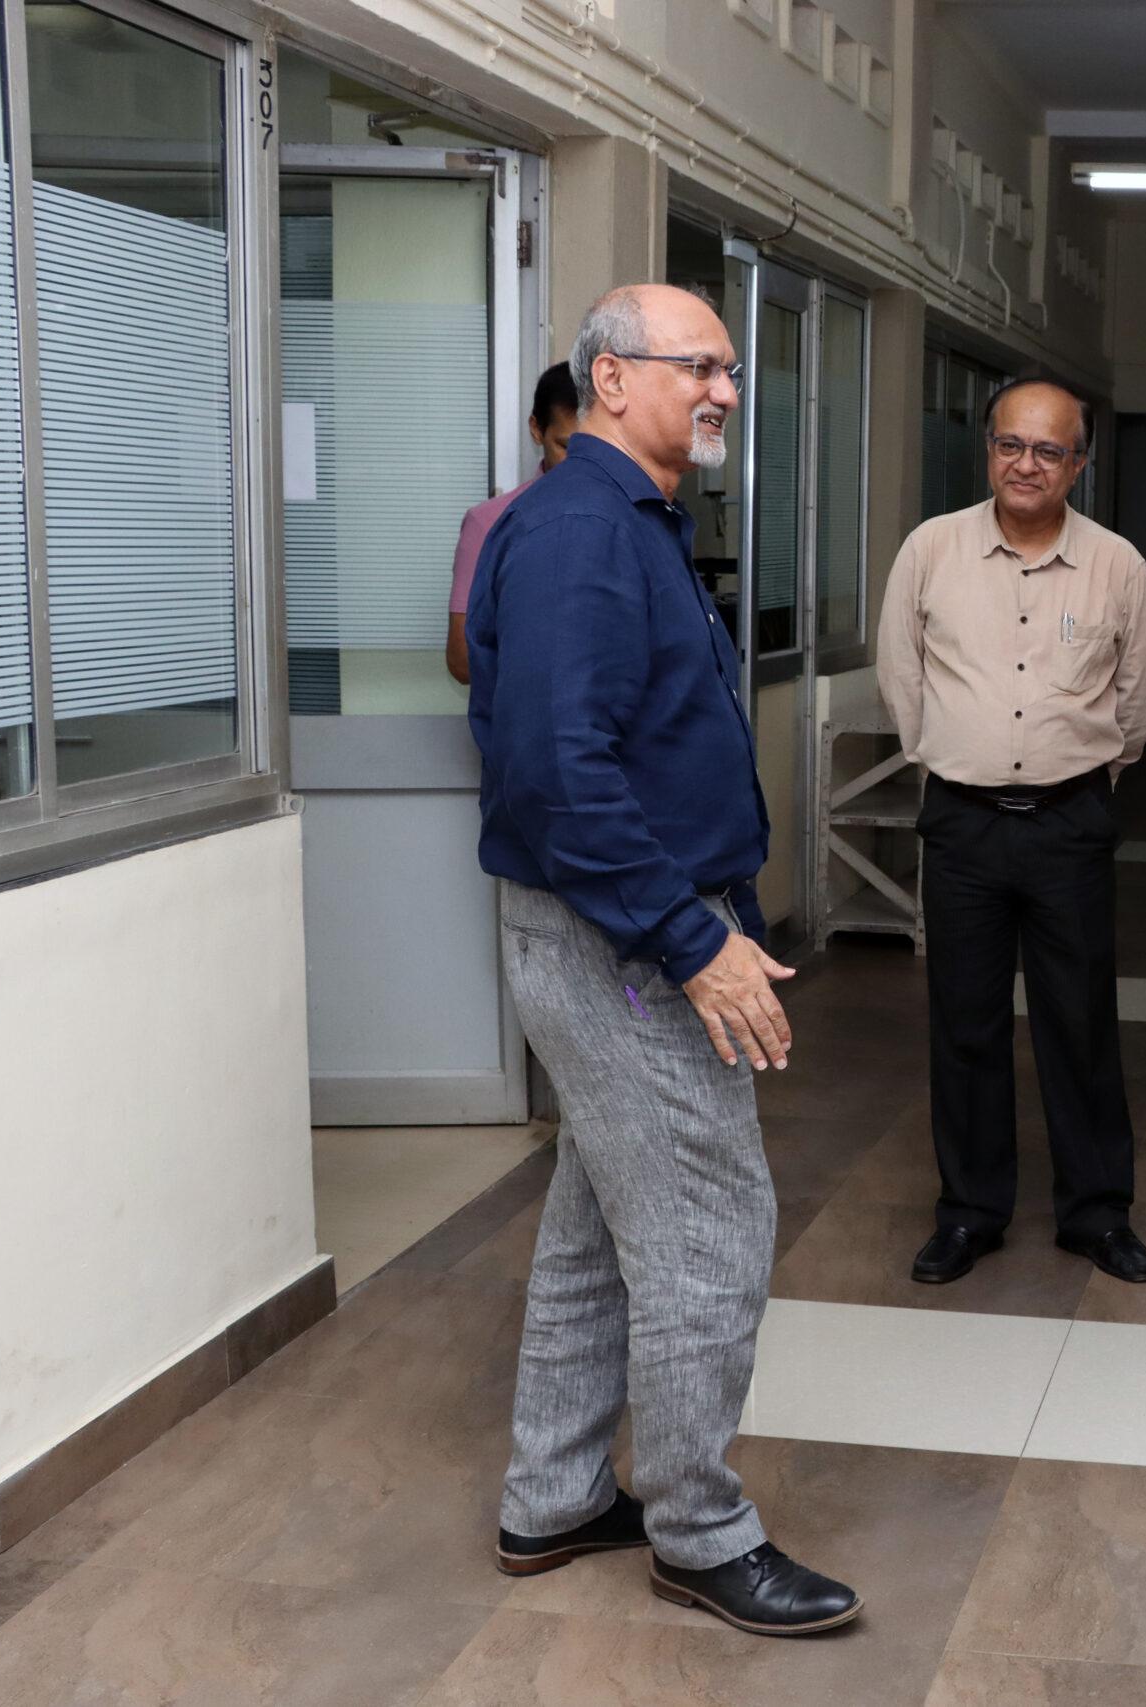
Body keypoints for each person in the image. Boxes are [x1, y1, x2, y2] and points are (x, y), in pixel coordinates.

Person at [468, 284, 859, 1637]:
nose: (726, 392)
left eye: (729, 370)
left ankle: (555, 1494)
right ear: (613, 377)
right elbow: (559, 774)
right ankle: (699, 1530)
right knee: (708, 1224)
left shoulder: (627, 518)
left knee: (596, 1225)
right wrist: (695, 940)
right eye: (701, 366)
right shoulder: (580, 533)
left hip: (624, 924)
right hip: (624, 938)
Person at [877, 379, 1146, 1287]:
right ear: (988, 450)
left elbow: (1139, 698)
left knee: (1080, 1023)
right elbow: (902, 677)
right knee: (963, 1022)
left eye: (1048, 450)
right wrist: (950, 757)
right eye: (1010, 444)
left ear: (1079, 463)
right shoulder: (930, 550)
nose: (1026, 464)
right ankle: (970, 1212)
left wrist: (1082, 774)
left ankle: (1096, 1213)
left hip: (1068, 823)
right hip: (961, 824)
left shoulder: (1117, 565)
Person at [448, 361, 579, 683]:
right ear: (536, 429)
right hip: (523, 713)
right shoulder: (489, 523)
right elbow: (462, 661)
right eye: (565, 446)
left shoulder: (636, 519)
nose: (581, 463)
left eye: (596, 448)